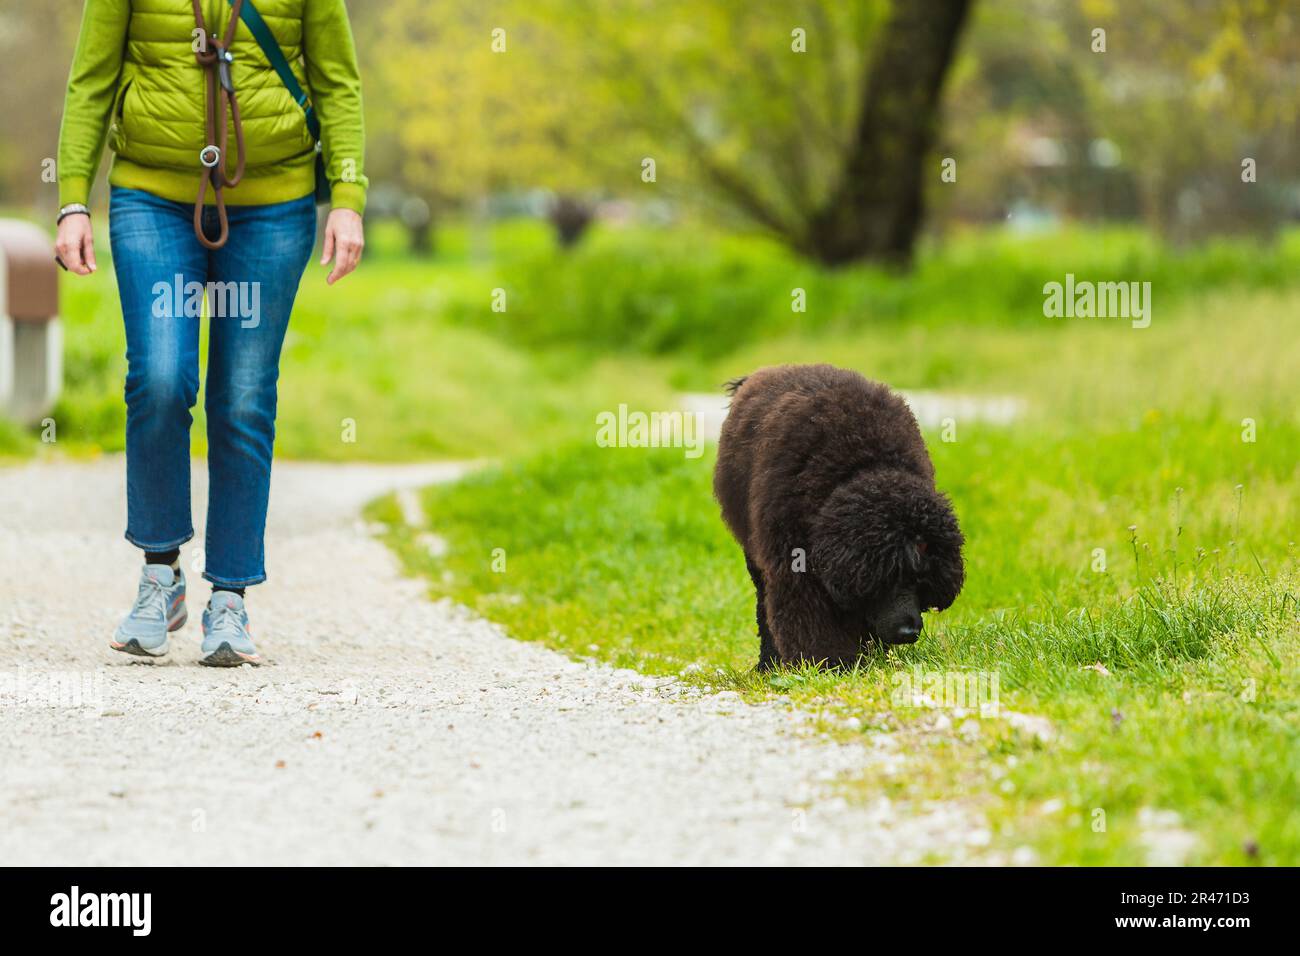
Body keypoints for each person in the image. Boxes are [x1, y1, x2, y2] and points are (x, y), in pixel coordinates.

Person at [55, 0, 367, 665]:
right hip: (152, 198)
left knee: (244, 395)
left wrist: (348, 196)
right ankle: (159, 574)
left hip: (274, 207)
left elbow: (338, 80)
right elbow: (91, 80)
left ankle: (230, 599)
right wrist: (74, 199)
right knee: (161, 378)